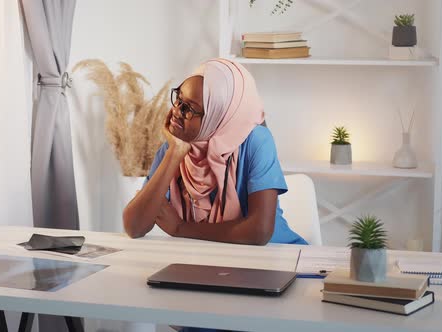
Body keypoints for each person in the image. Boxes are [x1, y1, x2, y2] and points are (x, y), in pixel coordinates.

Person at [122, 58, 306, 246]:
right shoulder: (175, 146)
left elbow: (259, 231)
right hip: (210, 262)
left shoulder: (256, 141)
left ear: (218, 116)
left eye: (189, 108)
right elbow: (134, 227)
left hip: (278, 258)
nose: (176, 111)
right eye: (178, 99)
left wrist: (181, 228)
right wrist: (175, 153)